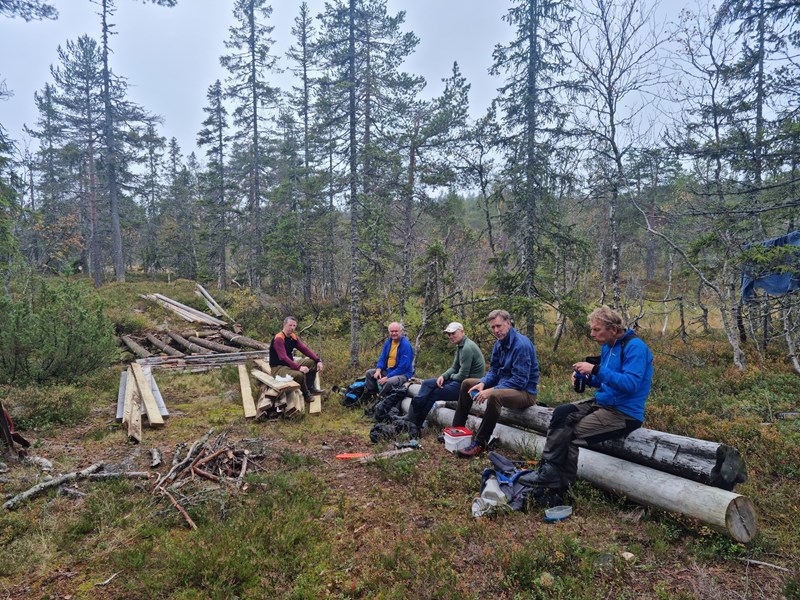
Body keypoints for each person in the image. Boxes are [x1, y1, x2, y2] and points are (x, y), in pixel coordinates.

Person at [526, 305, 654, 494]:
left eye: (596, 329)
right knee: (562, 413)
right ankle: (548, 470)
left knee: (572, 434)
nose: (592, 334)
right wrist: (585, 378)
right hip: (603, 402)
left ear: (613, 329)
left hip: (624, 413)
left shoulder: (635, 347)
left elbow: (630, 384)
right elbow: (605, 381)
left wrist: (595, 369)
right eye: (591, 329)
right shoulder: (608, 346)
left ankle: (561, 489)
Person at [452, 309, 539, 458]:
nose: (496, 330)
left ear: (508, 323)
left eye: (498, 326)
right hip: (505, 385)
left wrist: (490, 390)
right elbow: (494, 370)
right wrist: (483, 383)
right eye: (492, 327)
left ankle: (480, 443)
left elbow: (520, 381)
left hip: (525, 392)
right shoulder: (499, 344)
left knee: (494, 396)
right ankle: (456, 431)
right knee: (468, 383)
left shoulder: (521, 345)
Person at [403, 322, 486, 429]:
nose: (451, 336)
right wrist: (443, 376)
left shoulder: (467, 348)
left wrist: (450, 377)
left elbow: (463, 376)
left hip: (468, 386)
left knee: (434, 393)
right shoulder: (460, 346)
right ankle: (411, 417)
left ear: (462, 331)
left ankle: (416, 424)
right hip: (458, 381)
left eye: (453, 333)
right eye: (449, 334)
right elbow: (454, 368)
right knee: (427, 383)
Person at [269, 316, 324, 401]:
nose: (292, 328)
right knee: (299, 374)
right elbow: (283, 357)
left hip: (289, 364)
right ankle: (306, 394)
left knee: (313, 363)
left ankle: (311, 388)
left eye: (294, 326)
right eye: (290, 325)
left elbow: (304, 349)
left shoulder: (293, 337)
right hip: (278, 367)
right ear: (284, 325)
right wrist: (298, 367)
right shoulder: (279, 338)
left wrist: (318, 360)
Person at [364, 322, 414, 400]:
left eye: (396, 331)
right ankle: (372, 396)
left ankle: (380, 400)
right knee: (369, 373)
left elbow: (403, 367)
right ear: (389, 332)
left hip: (403, 374)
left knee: (389, 382)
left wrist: (387, 377)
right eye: (391, 331)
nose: (394, 333)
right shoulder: (388, 342)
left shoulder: (405, 345)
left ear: (401, 332)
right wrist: (378, 370)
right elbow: (382, 358)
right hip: (389, 370)